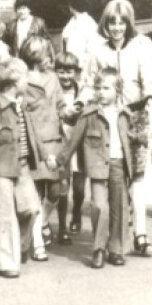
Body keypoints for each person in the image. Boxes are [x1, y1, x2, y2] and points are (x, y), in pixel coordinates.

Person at [83, 0, 152, 257]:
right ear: (105, 23)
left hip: (135, 117)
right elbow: (89, 83)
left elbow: (151, 80)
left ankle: (141, 234)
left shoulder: (141, 46)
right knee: (112, 176)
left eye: (122, 22)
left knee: (137, 176)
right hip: (108, 119)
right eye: (112, 22)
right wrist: (82, 104)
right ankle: (113, 236)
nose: (117, 27)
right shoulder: (97, 49)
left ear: (129, 23)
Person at [0, 58, 56, 278]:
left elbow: (32, 135)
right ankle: (7, 262)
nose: (28, 80)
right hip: (1, 169)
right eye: (25, 76)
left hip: (24, 166)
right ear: (14, 81)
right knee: (6, 215)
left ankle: (20, 247)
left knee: (31, 208)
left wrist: (46, 156)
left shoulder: (22, 105)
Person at [61, 66, 136, 268]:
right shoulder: (89, 115)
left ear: (118, 91)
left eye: (106, 88)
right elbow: (73, 142)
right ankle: (98, 249)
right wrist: (62, 161)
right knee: (99, 206)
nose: (101, 92)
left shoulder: (125, 115)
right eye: (98, 88)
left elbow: (133, 143)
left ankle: (116, 249)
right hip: (97, 167)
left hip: (119, 165)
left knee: (119, 208)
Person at [19, 34, 66, 248]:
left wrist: (69, 112)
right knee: (37, 191)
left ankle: (44, 221)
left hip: (55, 140)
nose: (50, 57)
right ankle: (36, 238)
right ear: (33, 56)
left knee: (56, 190)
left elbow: (60, 105)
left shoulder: (53, 78)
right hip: (34, 142)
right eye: (46, 54)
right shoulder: (21, 79)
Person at [53, 49, 86, 242]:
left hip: (79, 143)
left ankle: (77, 212)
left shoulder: (80, 91)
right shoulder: (52, 90)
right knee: (63, 185)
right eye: (61, 71)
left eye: (69, 71)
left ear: (76, 72)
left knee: (80, 188)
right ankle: (62, 227)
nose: (65, 76)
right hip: (61, 143)